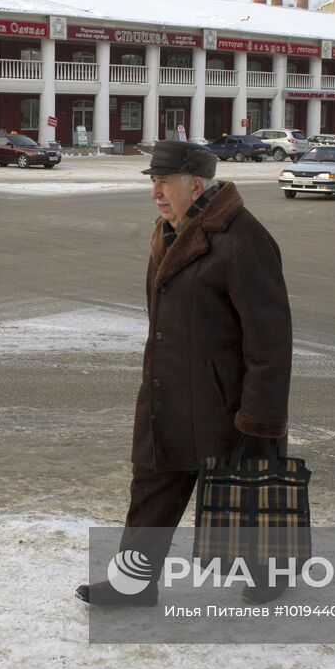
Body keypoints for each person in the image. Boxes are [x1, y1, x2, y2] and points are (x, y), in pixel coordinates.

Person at [76, 138, 293, 608]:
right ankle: (134, 584)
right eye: (152, 181)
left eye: (164, 182)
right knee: (152, 484)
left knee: (242, 496)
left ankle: (270, 573)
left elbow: (271, 341)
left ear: (195, 185)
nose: (155, 191)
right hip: (169, 389)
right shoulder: (171, 229)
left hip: (223, 402)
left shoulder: (242, 240)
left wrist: (260, 419)